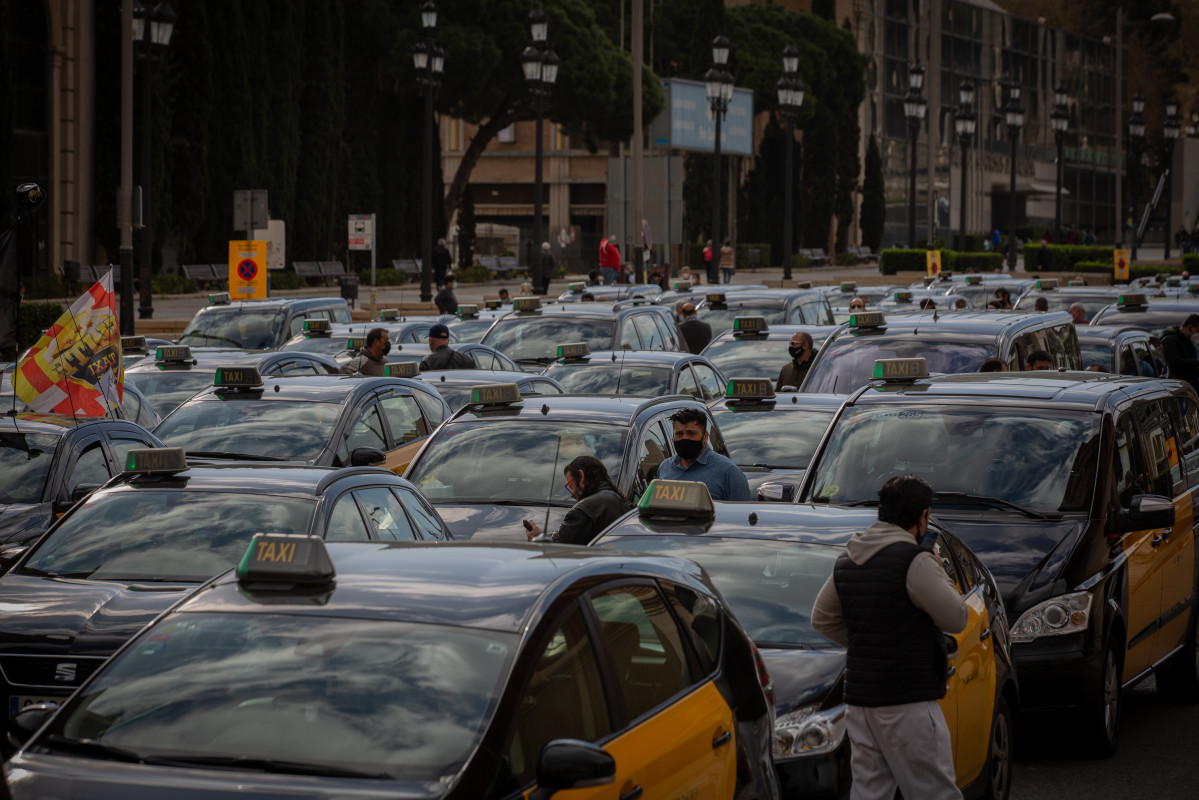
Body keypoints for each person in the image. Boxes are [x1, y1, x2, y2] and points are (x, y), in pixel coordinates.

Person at [811, 475, 968, 800]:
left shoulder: (849, 559)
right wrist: (939, 569)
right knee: (934, 792)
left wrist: (869, 646)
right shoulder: (915, 561)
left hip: (860, 701)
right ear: (922, 516)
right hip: (907, 699)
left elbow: (821, 618)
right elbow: (957, 617)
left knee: (871, 791)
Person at [524, 455, 632, 545]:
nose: (572, 494)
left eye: (571, 486)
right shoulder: (618, 500)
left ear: (581, 476)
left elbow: (556, 551)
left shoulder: (582, 510)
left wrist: (537, 537)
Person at [657, 408, 751, 501]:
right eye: (679, 433)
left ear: (705, 437)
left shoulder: (729, 472)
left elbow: (741, 514)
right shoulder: (665, 468)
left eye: (691, 433)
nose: (684, 438)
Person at [1160, 314, 1199, 393]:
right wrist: (1196, 362)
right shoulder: (1171, 340)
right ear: (1190, 328)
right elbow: (1174, 362)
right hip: (1178, 389)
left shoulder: (1188, 341)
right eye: (1198, 331)